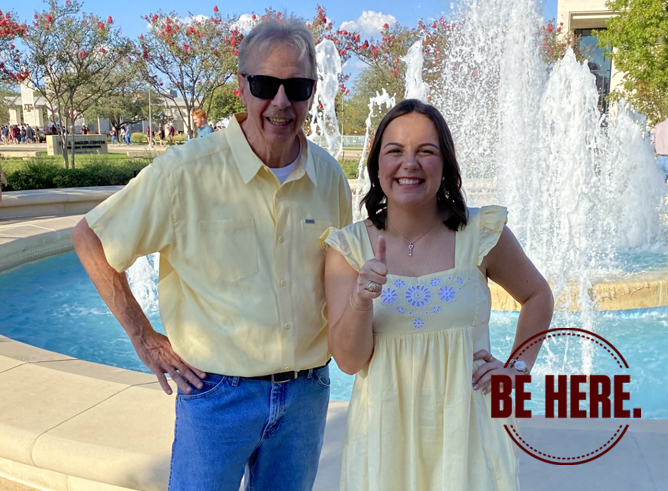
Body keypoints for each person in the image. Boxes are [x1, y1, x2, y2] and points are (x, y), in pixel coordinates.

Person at [72, 17, 352, 491]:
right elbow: (91, 238)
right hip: (217, 394)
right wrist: (143, 337)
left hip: (307, 394)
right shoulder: (185, 173)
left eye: (297, 87)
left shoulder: (330, 179)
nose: (281, 102)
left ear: (313, 91)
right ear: (241, 86)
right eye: (265, 84)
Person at [323, 99, 554, 491]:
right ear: (377, 165)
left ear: (444, 163)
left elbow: (538, 296)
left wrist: (516, 370)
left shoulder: (481, 234)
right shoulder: (348, 248)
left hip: (470, 437)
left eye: (425, 152)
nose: (409, 164)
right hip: (383, 442)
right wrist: (361, 298)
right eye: (394, 151)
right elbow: (348, 361)